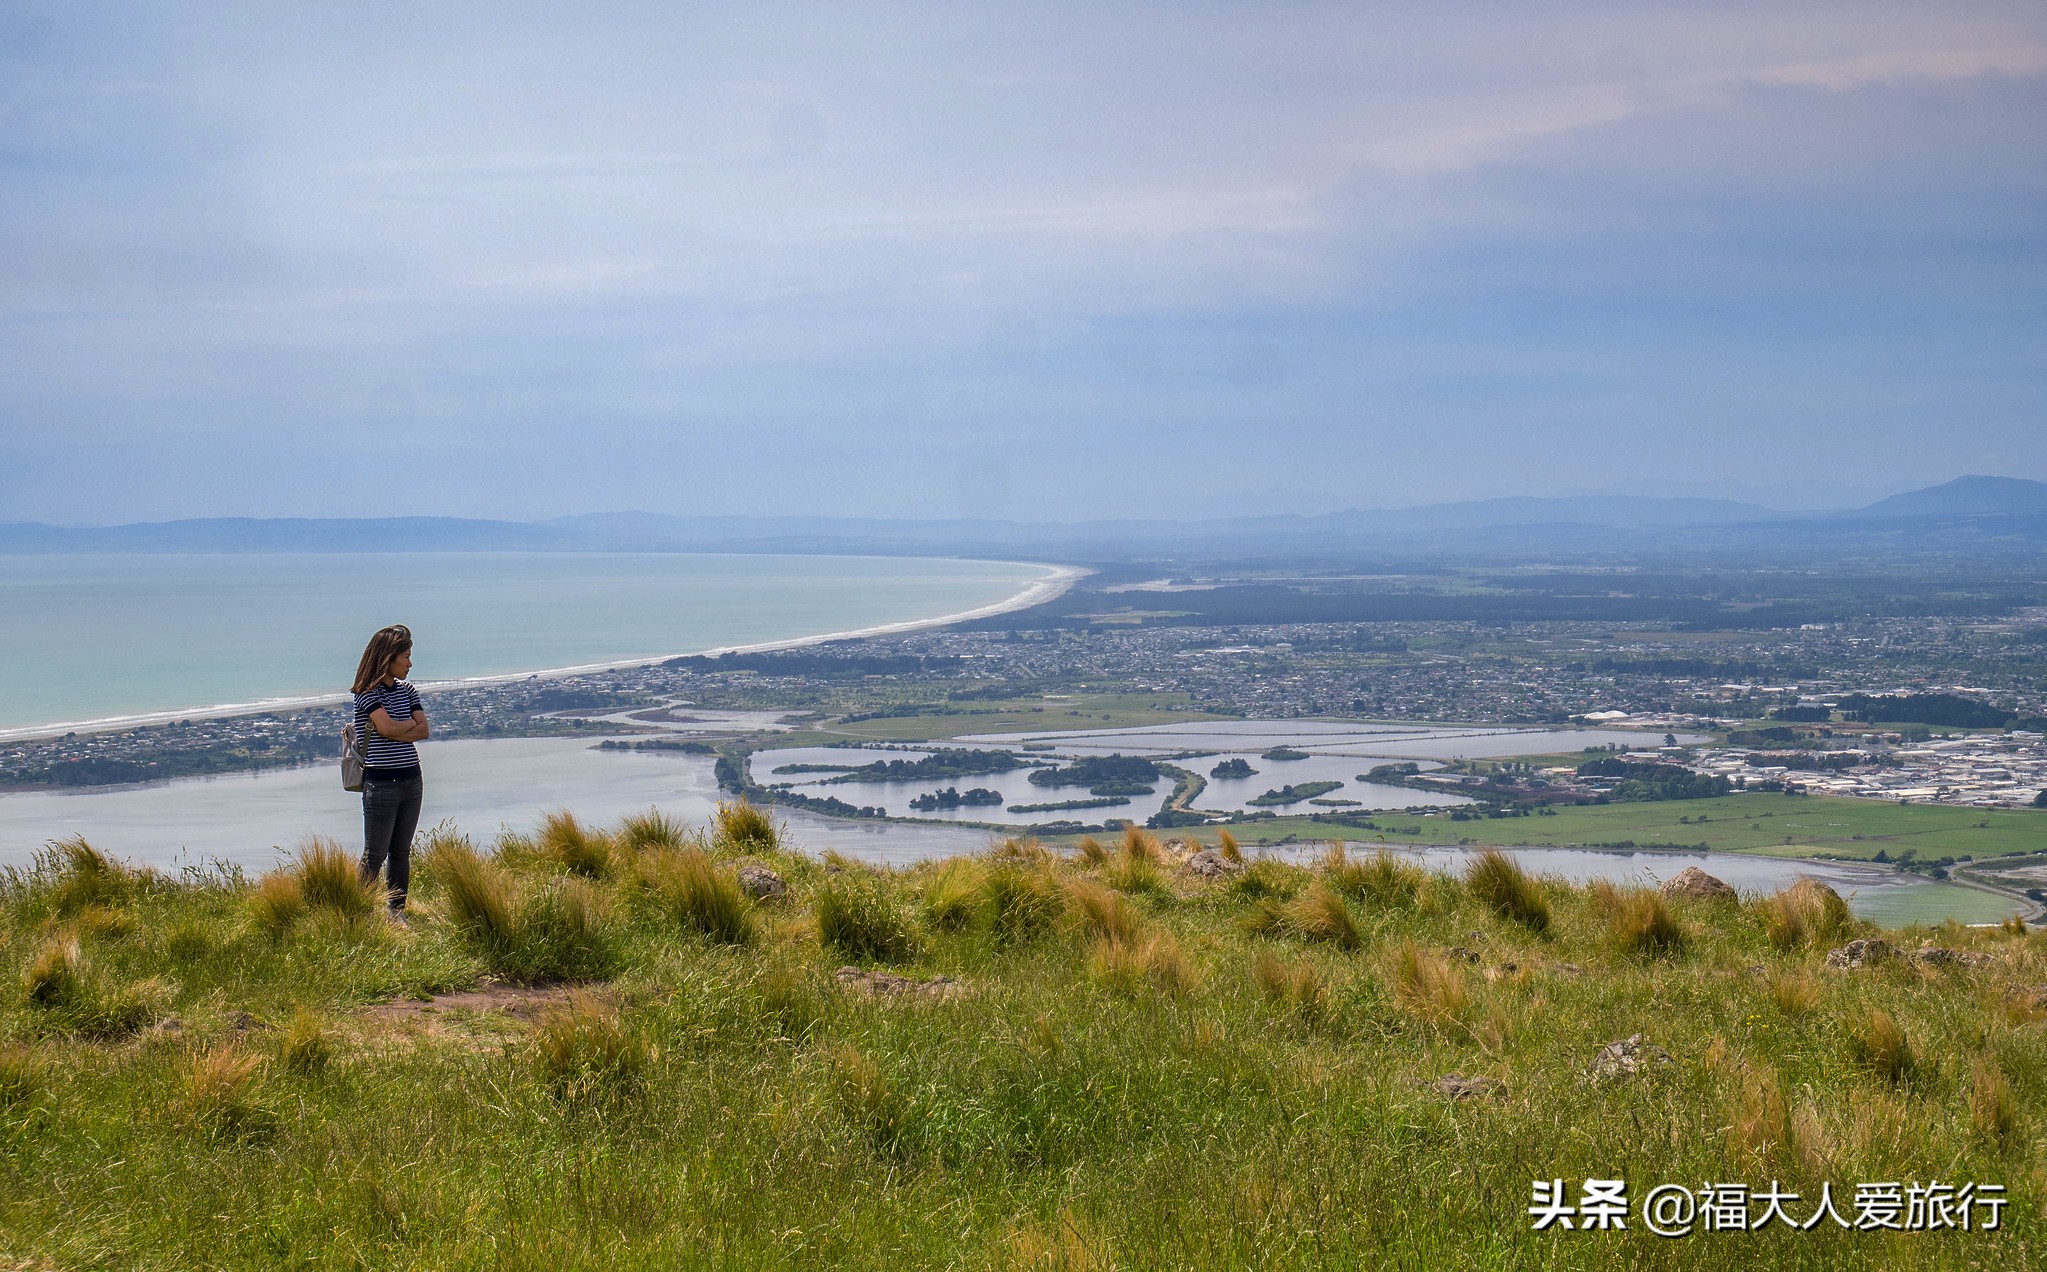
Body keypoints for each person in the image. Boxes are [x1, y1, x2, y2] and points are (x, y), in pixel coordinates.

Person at [352, 624, 427, 924]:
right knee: (374, 855)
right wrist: (403, 728)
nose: (410, 663)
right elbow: (387, 728)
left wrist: (398, 730)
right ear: (388, 658)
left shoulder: (407, 690)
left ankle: (396, 913)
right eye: (405, 657)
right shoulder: (366, 694)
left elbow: (425, 730)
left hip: (412, 779)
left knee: (401, 852)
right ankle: (359, 914)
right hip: (381, 784)